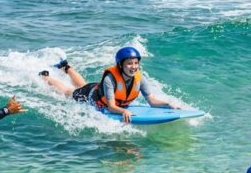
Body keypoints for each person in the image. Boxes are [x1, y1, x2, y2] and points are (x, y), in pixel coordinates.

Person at [40, 46, 176, 123]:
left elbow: (152, 101)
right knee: (69, 92)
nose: (133, 67)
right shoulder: (109, 79)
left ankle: (66, 67)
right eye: (129, 63)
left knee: (82, 85)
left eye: (136, 63)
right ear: (120, 65)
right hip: (91, 94)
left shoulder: (140, 78)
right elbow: (111, 107)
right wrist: (124, 111)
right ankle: (46, 77)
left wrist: (168, 104)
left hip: (97, 88)